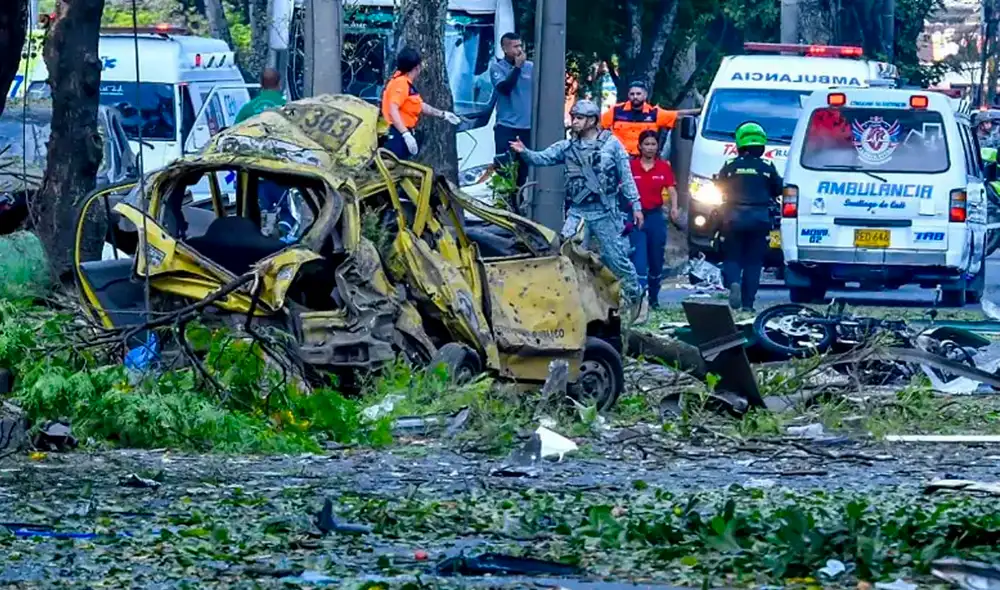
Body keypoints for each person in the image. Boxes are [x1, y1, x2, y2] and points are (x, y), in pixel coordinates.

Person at [509, 99, 644, 311]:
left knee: (616, 258)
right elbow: (542, 158)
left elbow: (626, 177)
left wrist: (636, 205)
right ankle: (574, 302)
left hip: (605, 212)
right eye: (574, 117)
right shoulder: (567, 147)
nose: (575, 122)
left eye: (579, 118)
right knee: (567, 253)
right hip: (578, 213)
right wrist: (524, 151)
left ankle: (634, 299)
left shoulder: (612, 145)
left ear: (592, 120)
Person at [714, 121, 783, 312]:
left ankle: (734, 282)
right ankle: (748, 304)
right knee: (754, 262)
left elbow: (718, 186)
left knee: (732, 256)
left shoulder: (729, 165)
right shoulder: (767, 166)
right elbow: (778, 189)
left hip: (732, 217)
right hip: (760, 219)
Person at [233, 68, 296, 241]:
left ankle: (258, 240)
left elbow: (235, 136)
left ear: (260, 84)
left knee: (255, 214)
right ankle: (282, 238)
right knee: (286, 214)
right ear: (280, 84)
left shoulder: (248, 109)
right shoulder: (288, 109)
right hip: (282, 174)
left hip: (254, 175)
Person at [381, 47, 462, 160]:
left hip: (401, 133)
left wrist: (443, 114)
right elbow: (392, 109)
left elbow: (420, 105)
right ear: (417, 67)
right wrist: (405, 134)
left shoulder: (406, 84)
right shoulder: (400, 84)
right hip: (396, 134)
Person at [629, 130, 679, 311]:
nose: (650, 148)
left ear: (658, 147)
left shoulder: (663, 167)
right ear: (640, 146)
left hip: (656, 217)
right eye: (647, 144)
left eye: (653, 144)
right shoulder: (631, 166)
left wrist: (674, 208)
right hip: (636, 217)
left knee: (656, 259)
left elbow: (671, 189)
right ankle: (639, 301)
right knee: (639, 260)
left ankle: (654, 299)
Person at [601, 81, 700, 157]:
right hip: (619, 158)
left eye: (638, 94)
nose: (635, 97)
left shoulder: (654, 114)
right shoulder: (616, 111)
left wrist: (701, 110)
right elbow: (598, 126)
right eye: (632, 94)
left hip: (643, 160)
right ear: (628, 95)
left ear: (645, 95)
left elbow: (677, 115)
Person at [489, 32, 533, 189]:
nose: (519, 50)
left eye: (520, 46)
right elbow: (504, 88)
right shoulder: (497, 68)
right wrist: (517, 68)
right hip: (506, 127)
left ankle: (519, 205)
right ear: (504, 49)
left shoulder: (531, 68)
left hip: (526, 128)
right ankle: (504, 204)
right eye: (515, 47)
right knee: (504, 170)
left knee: (523, 171)